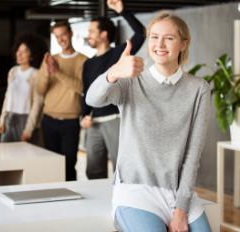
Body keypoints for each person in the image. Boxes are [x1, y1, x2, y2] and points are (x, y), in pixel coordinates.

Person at [86, 12, 211, 232]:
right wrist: (114, 71)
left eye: (169, 38)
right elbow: (93, 98)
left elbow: (193, 154)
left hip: (178, 193)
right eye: (154, 37)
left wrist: (181, 209)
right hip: (135, 192)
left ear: (184, 43)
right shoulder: (131, 81)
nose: (159, 44)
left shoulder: (198, 88)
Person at [81, 0, 145, 179]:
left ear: (104, 34)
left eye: (92, 31)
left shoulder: (118, 54)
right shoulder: (88, 63)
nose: (88, 35)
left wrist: (122, 10)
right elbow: (86, 91)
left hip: (115, 120)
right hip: (94, 123)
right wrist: (84, 115)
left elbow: (140, 33)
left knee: (121, 168)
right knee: (93, 171)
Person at [36, 21, 87, 181]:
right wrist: (47, 70)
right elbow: (39, 90)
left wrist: (57, 72)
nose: (61, 39)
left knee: (69, 164)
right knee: (52, 166)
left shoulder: (83, 61)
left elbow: (82, 88)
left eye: (63, 35)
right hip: (49, 119)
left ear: (71, 33)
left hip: (70, 122)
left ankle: (72, 203)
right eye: (57, 37)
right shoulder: (50, 59)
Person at [0, 34, 47, 145]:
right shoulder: (13, 71)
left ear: (32, 55)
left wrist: (29, 129)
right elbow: (7, 97)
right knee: (5, 154)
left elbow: (37, 104)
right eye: (18, 50)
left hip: (26, 120)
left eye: (24, 51)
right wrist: (2, 120)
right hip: (10, 118)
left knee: (26, 157)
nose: (19, 54)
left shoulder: (36, 74)